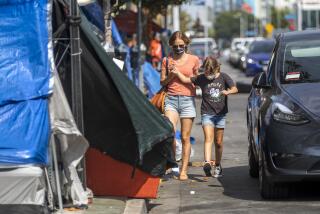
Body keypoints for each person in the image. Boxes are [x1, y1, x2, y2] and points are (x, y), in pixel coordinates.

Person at [171, 56, 238, 178]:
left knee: (218, 142)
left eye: (210, 72)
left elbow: (235, 88)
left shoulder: (224, 77)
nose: (208, 75)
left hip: (221, 114)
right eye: (206, 72)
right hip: (207, 113)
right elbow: (187, 80)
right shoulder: (201, 78)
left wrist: (228, 92)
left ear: (216, 68)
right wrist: (177, 73)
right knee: (208, 138)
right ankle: (207, 162)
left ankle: (217, 165)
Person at [160, 31, 200, 181]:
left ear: (186, 45)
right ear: (171, 45)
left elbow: (197, 80)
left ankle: (183, 170)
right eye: (175, 46)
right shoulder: (166, 60)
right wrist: (172, 74)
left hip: (187, 100)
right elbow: (162, 82)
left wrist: (183, 77)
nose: (178, 48)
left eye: (181, 45)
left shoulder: (194, 60)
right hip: (171, 99)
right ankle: (172, 164)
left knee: (185, 137)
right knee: (169, 133)